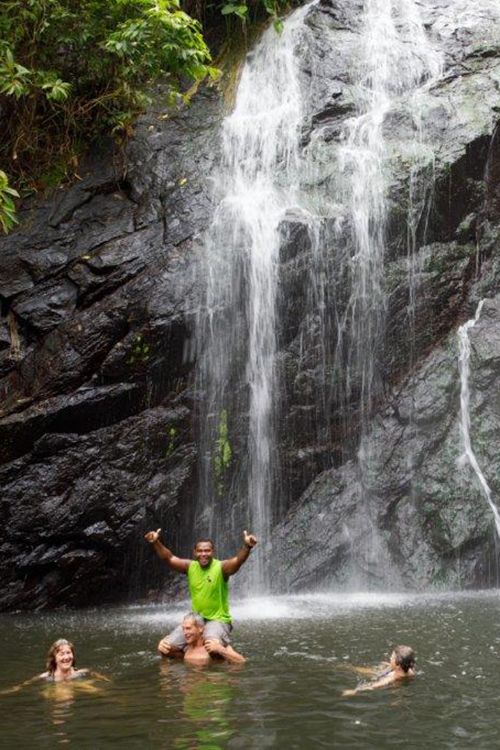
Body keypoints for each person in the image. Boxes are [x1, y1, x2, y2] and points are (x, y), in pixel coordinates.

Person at [144, 528, 257, 657]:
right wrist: (155, 542)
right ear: (195, 552)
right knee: (166, 649)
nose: (203, 554)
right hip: (197, 620)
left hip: (218, 619)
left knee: (212, 648)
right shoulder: (190, 567)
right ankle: (192, 654)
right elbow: (168, 558)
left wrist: (247, 546)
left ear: (213, 552)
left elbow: (238, 560)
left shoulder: (221, 567)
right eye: (200, 551)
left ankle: (221, 651)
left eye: (207, 550)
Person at [342, 645, 415, 697]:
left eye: (392, 657)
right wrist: (388, 665)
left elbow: (374, 686)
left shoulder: (392, 678)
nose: (390, 658)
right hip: (391, 670)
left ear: (398, 665)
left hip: (383, 675)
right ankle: (350, 668)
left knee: (360, 670)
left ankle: (349, 668)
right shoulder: (410, 670)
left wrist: (355, 691)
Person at [181, 613, 245, 665]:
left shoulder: (212, 645)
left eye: (188, 628)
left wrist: (220, 649)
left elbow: (241, 661)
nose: (184, 633)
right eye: (183, 629)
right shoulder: (185, 647)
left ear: (200, 628)